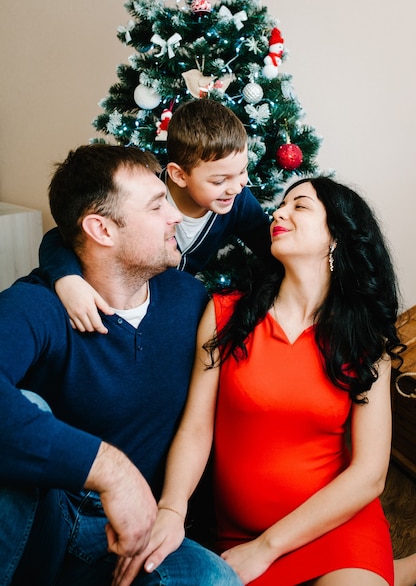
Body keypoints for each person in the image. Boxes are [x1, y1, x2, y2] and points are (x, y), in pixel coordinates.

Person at [117, 176, 406, 586]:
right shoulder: (225, 314)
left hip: (336, 529)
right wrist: (171, 510)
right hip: (239, 535)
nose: (279, 212)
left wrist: (268, 547)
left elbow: (369, 474)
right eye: (281, 205)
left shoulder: (365, 338)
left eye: (300, 206)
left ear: (336, 237)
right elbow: (197, 429)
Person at [0, 144, 242, 586]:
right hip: (44, 516)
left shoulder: (189, 300)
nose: (175, 216)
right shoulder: (38, 304)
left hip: (136, 533)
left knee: (215, 580)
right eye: (156, 206)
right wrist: (111, 471)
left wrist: (169, 506)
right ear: (102, 230)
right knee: (24, 406)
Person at [38, 98, 272, 333]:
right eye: (219, 180)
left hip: (173, 308)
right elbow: (63, 236)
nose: (237, 187)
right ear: (179, 175)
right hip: (126, 306)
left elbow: (271, 247)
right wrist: (66, 279)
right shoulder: (145, 191)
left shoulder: (238, 202)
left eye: (242, 171)